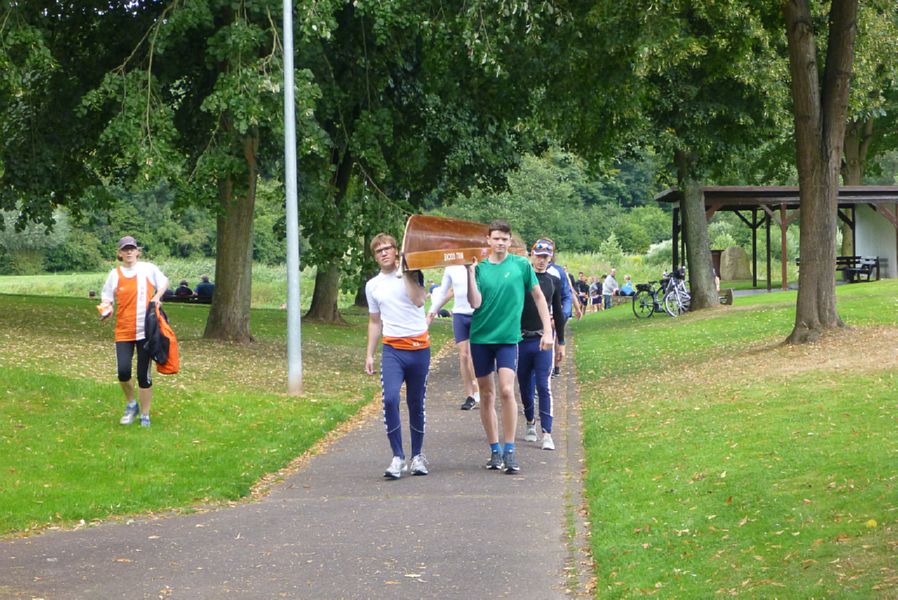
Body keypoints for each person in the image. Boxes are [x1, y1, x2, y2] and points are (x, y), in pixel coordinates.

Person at [467, 220, 553, 474]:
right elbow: (475, 302)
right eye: (496, 238)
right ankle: (494, 449)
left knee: (506, 390)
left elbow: (539, 296)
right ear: (488, 240)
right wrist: (470, 274)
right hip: (481, 338)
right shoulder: (480, 268)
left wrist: (548, 331)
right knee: (487, 393)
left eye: (505, 239)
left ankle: (510, 449)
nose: (501, 243)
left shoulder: (521, 265)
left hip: (508, 338)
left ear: (510, 241)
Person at [365, 233, 431, 479]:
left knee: (416, 401)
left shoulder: (412, 273)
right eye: (378, 250)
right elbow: (374, 321)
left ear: (396, 251)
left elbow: (418, 301)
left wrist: (406, 272)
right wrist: (370, 354)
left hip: (419, 348)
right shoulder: (373, 286)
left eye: (387, 248)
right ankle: (397, 456)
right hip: (393, 350)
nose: (383, 253)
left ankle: (417, 456)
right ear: (375, 256)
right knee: (390, 399)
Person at [99, 236, 169, 428]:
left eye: (132, 248)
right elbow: (107, 297)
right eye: (125, 249)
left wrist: (156, 297)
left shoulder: (147, 269)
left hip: (146, 331)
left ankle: (145, 415)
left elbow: (164, 282)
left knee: (143, 376)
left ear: (138, 251)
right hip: (123, 331)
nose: (129, 252)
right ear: (120, 253)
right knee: (123, 372)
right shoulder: (115, 274)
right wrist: (106, 308)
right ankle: (131, 404)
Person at [518, 240, 566, 451]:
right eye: (538, 256)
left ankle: (547, 432)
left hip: (542, 340)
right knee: (524, 386)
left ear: (550, 258)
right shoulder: (521, 279)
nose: (541, 261)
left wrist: (561, 342)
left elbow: (558, 313)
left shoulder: (553, 281)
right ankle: (530, 422)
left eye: (545, 257)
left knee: (544, 385)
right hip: (521, 340)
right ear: (532, 255)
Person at [427, 265, 480, 410]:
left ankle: (479, 390)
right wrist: (432, 312)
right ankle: (470, 395)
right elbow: (445, 292)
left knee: (475, 355)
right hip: (459, 315)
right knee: (464, 355)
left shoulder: (479, 264)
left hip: (477, 314)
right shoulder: (451, 267)